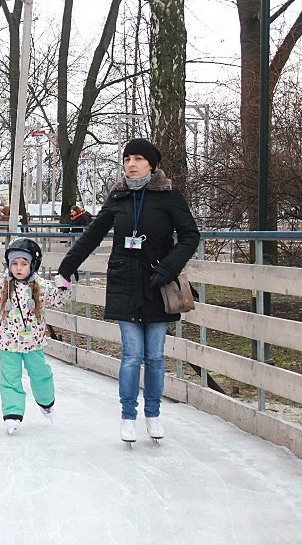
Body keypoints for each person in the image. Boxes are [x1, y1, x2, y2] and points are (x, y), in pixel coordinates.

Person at [56, 138, 200, 444]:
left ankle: (153, 414)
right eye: (126, 159)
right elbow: (92, 234)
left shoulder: (169, 196)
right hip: (124, 282)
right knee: (133, 355)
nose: (131, 164)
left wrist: (168, 269)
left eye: (137, 158)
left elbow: (190, 235)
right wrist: (67, 267)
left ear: (150, 163)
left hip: (157, 284)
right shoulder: (119, 197)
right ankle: (128, 415)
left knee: (156, 356)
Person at [0, 238, 70, 435]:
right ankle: (12, 413)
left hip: (33, 342)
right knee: (10, 379)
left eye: (24, 264)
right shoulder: (2, 286)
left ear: (32, 265)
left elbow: (58, 300)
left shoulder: (41, 285)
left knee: (41, 374)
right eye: (15, 264)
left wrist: (65, 285)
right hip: (8, 342)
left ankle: (46, 402)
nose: (19, 268)